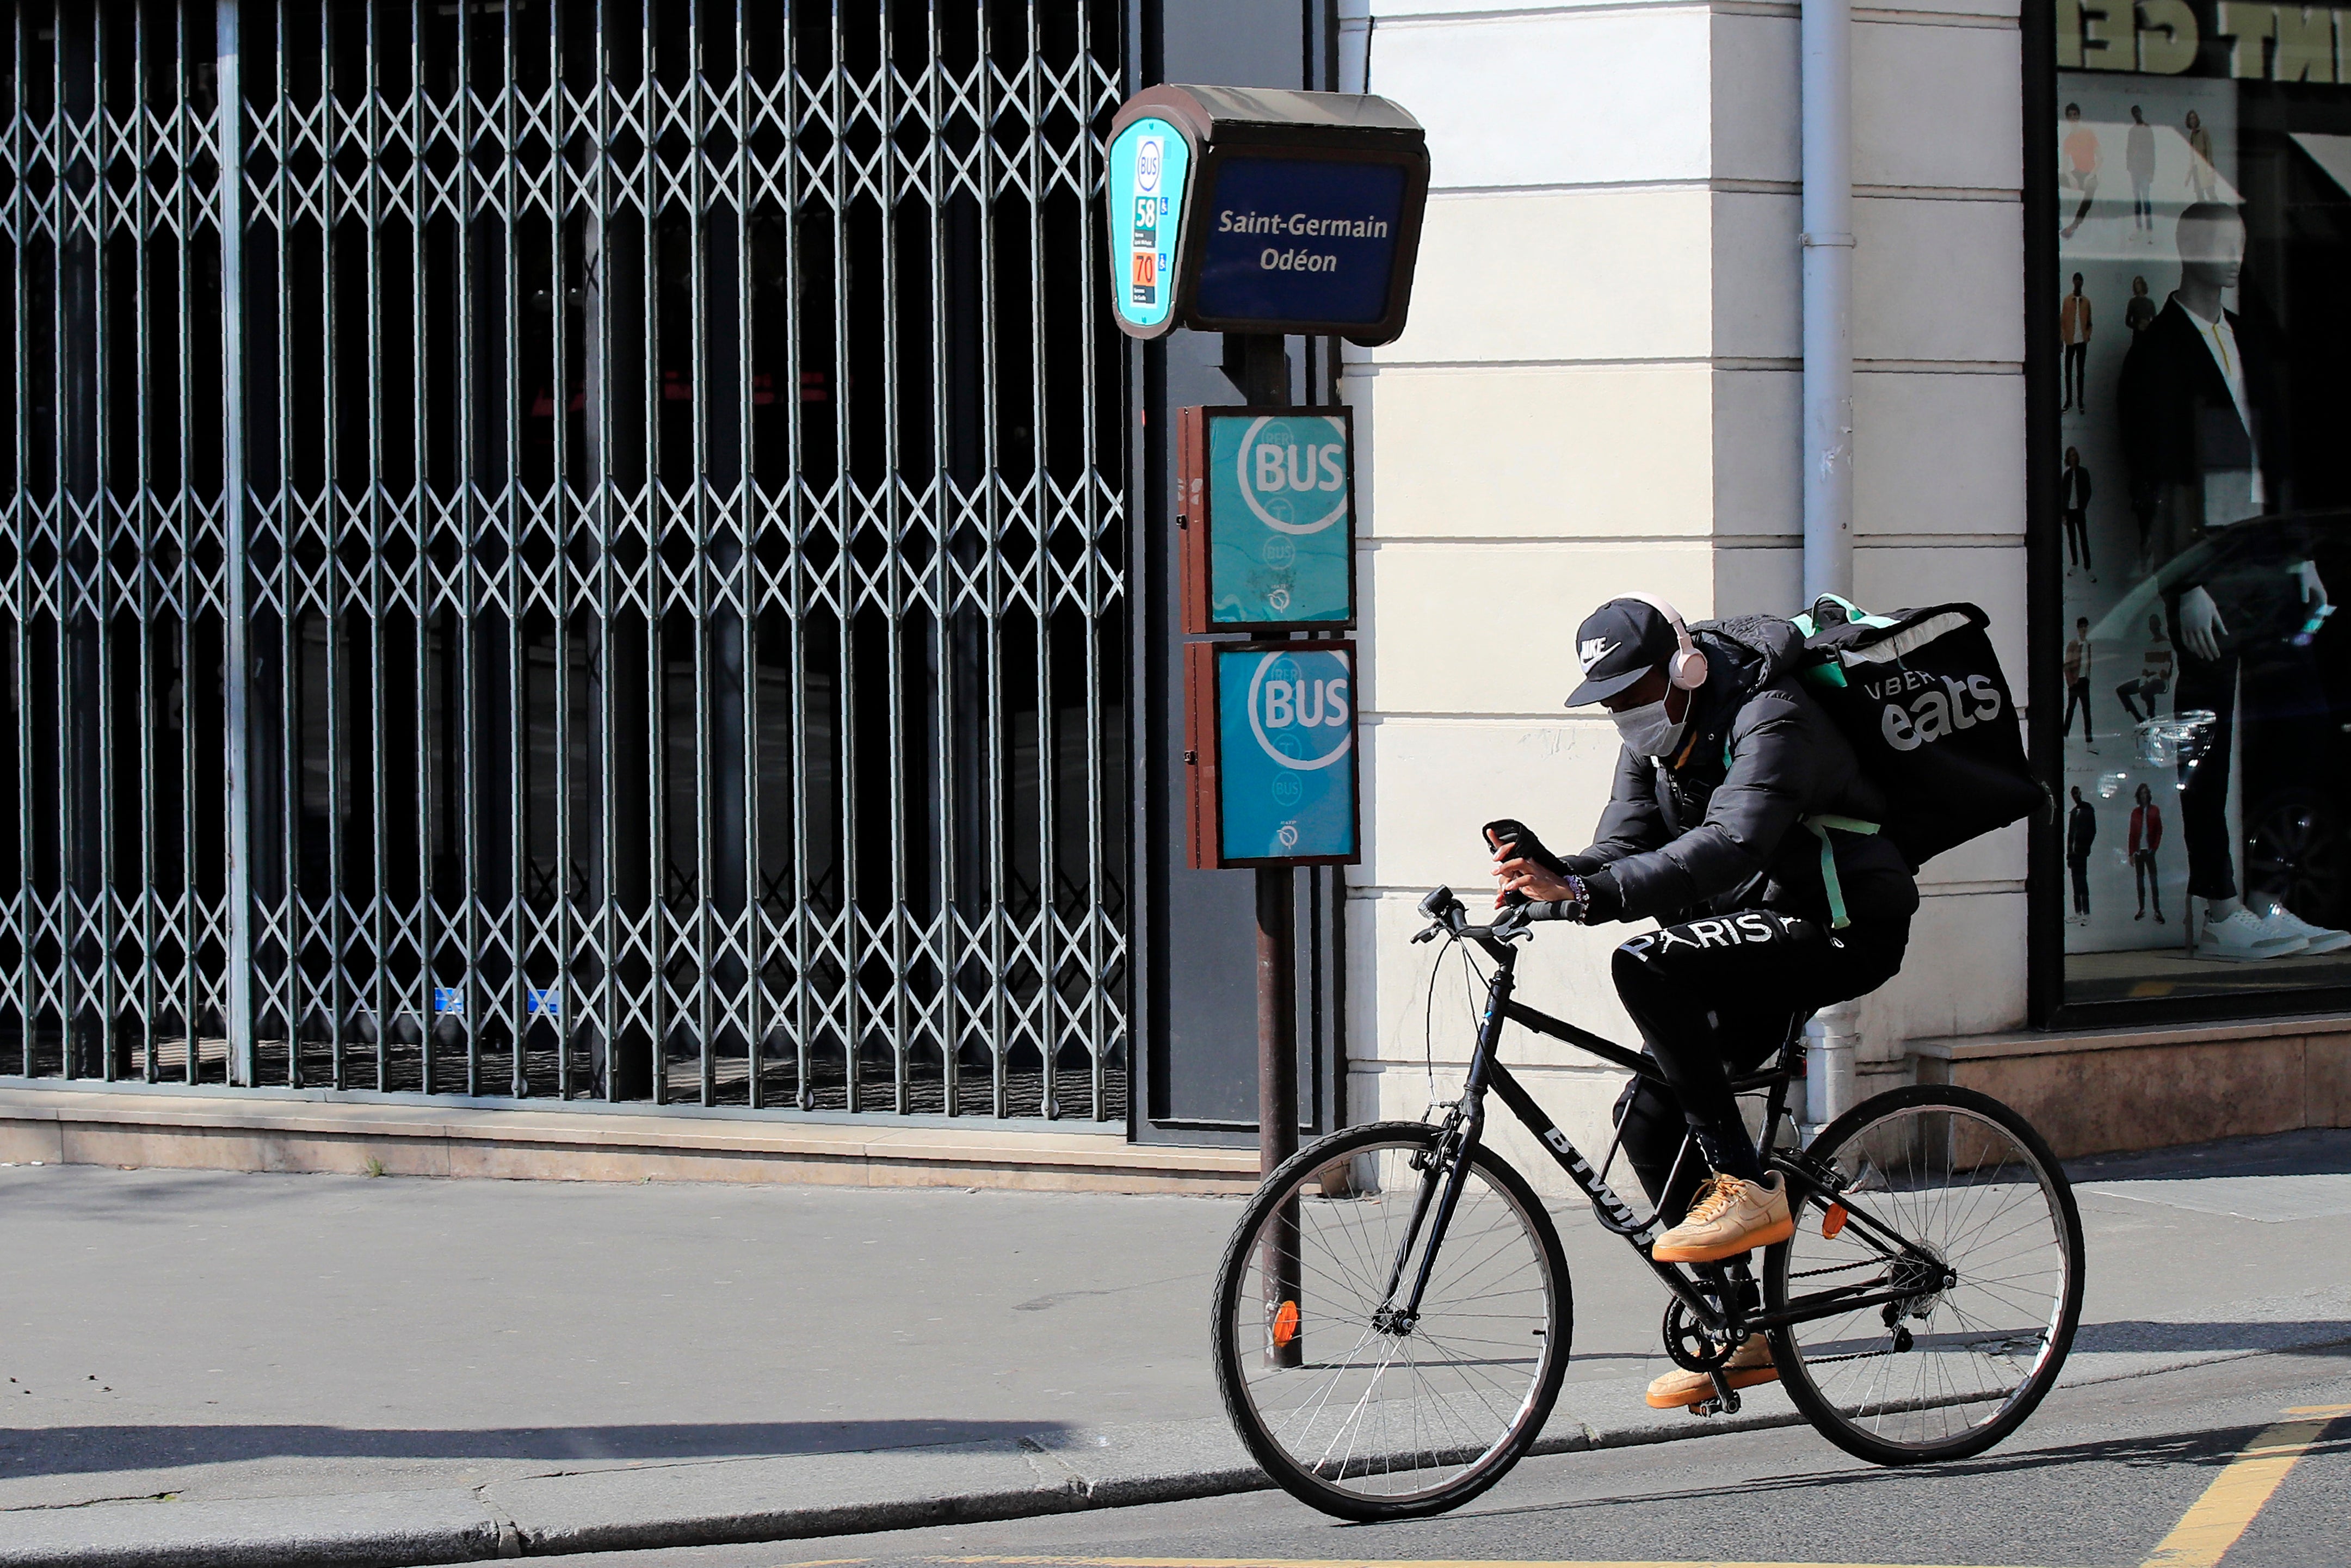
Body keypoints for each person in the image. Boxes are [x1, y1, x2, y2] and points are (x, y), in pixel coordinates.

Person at [1488, 595, 1916, 1413]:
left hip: (1837, 922)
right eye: (1609, 700)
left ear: (1684, 667)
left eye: (1633, 690)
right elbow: (1623, 848)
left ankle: (1745, 1185)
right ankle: (1741, 1327)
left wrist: (1585, 891)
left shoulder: (1771, 714)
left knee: (1644, 963)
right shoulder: (1646, 743)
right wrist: (1549, 867)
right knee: (1645, 1120)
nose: (1624, 712)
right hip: (1743, 933)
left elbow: (1731, 845)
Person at [2115, 201, 2346, 960]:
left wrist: (2301, 554)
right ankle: (2217, 906)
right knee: (2206, 736)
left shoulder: (2248, 340)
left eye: (2239, 242)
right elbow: (2154, 473)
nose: (2232, 256)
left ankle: (2265, 895)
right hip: (2209, 566)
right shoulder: (2157, 354)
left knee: (2296, 724)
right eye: (2217, 242)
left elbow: (2272, 456)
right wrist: (2186, 582)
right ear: (2186, 248)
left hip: (2264, 558)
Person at [2113, 611, 2173, 723]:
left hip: (2160, 681)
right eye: (2151, 626)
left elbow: (2166, 668)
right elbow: (2146, 666)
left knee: (2146, 690)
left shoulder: (2166, 644)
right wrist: (2145, 678)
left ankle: (2152, 717)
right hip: (2147, 679)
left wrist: (2152, 677)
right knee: (2121, 690)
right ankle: (2138, 718)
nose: (2153, 628)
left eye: (2155, 625)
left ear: (2159, 626)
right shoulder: (2150, 645)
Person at [2062, 103, 2100, 239]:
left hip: (2090, 174)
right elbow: (2065, 166)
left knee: (2091, 187)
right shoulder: (2068, 140)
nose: (2073, 118)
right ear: (2067, 118)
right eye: (2071, 115)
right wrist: (2070, 177)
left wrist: (2092, 174)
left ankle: (2075, 225)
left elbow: (2100, 158)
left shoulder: (2088, 134)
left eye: (2075, 115)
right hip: (2077, 174)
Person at [2130, 783, 2165, 923]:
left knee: (2153, 881)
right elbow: (2132, 834)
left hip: (2149, 851)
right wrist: (2131, 853)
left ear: (2148, 795)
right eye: (2142, 793)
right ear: (2139, 796)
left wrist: (2154, 848)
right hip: (2139, 852)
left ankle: (2157, 910)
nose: (2144, 796)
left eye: (2146, 793)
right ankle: (2142, 909)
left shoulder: (2154, 810)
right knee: (2140, 881)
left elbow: (2159, 830)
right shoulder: (2135, 813)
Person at [2060, 273, 2093, 412]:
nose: (2078, 282)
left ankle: (2080, 400)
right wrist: (2063, 338)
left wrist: (2087, 335)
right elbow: (2062, 322)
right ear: (2073, 282)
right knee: (2068, 371)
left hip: (2081, 341)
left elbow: (2090, 321)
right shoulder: (2068, 301)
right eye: (2076, 280)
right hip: (2070, 341)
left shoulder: (2086, 302)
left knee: (2080, 372)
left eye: (2081, 280)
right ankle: (2069, 400)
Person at [2060, 447, 2094, 577]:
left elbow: (2088, 491)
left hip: (2079, 511)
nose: (2073, 458)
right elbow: (2063, 495)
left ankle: (2088, 567)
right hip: (2069, 511)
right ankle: (2075, 564)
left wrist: (2083, 506)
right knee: (2072, 539)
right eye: (2070, 456)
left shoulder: (2083, 472)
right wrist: (2063, 514)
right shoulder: (2067, 475)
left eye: (2074, 455)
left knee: (2083, 539)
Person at [2062, 616, 2095, 746]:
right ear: (2078, 629)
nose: (2084, 629)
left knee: (2086, 711)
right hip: (2076, 681)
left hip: (2084, 681)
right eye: (2082, 627)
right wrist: (2070, 682)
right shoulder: (2074, 645)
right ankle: (2065, 735)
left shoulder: (2087, 644)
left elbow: (2088, 663)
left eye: (2086, 627)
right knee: (2071, 709)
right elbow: (2067, 665)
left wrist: (2088, 678)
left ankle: (2089, 739)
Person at [2067, 787, 2096, 923]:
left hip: (2081, 853)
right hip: (2074, 854)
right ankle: (2078, 912)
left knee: (2082, 883)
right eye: (2074, 794)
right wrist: (2069, 854)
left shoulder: (2087, 810)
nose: (2076, 796)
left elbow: (2092, 831)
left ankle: (2087, 913)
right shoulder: (2074, 812)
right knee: (2076, 883)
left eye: (2077, 794)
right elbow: (2070, 835)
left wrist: (2086, 848)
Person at [2127, 106, 2156, 233]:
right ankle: (2139, 227)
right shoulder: (2132, 131)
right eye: (2135, 114)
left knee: (2146, 197)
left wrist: (2151, 171)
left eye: (2138, 112)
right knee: (2137, 198)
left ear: (2141, 113)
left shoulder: (2147, 129)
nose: (2137, 115)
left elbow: (2152, 150)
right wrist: (2129, 164)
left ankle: (2149, 228)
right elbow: (2129, 149)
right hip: (2135, 168)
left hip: (2145, 168)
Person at [2185, 109, 2216, 203]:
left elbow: (2209, 149)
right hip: (2196, 169)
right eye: (2190, 119)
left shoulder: (2203, 131)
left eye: (2194, 118)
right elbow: (2192, 157)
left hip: (2205, 167)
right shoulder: (2191, 135)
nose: (2193, 120)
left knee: (2211, 192)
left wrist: (2210, 166)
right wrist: (2189, 175)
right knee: (2199, 195)